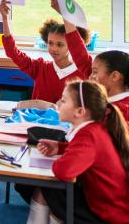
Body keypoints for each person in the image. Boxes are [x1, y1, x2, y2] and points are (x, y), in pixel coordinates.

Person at [26, 80, 129, 224]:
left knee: (51, 191)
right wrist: (60, 147)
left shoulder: (89, 135)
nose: (58, 103)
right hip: (109, 204)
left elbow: (63, 171)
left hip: (108, 213)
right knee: (48, 192)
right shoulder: (95, 128)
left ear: (80, 112)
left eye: (63, 100)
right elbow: (85, 152)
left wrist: (59, 159)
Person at [0, 0, 90, 103]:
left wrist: (64, 13)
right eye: (50, 43)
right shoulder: (40, 67)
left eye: (60, 45)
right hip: (38, 119)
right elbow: (12, 52)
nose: (54, 49)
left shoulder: (83, 73)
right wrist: (5, 18)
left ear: (72, 46)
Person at [90, 50, 129, 122]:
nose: (90, 77)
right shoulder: (106, 101)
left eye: (95, 72)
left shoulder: (122, 111)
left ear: (115, 76)